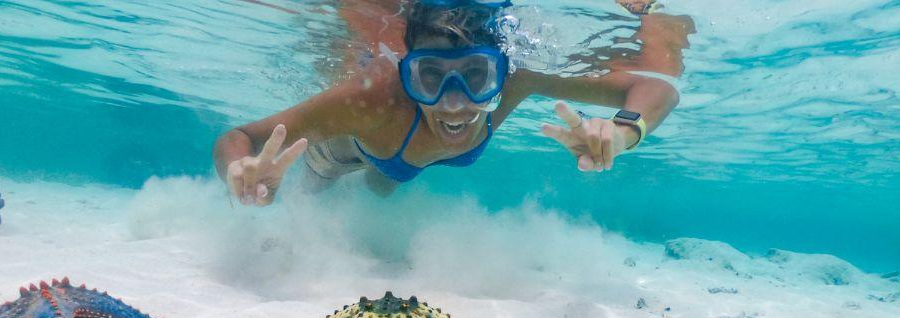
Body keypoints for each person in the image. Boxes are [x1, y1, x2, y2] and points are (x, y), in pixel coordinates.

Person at [213, 0, 684, 205]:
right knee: (311, 196)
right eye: (430, 76)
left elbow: (656, 85)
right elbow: (240, 139)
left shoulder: (518, 82)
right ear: (406, 74)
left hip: (397, 162)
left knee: (378, 192)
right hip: (346, 148)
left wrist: (624, 130)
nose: (454, 104)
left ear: (501, 71)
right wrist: (241, 171)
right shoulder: (370, 100)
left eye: (476, 76)